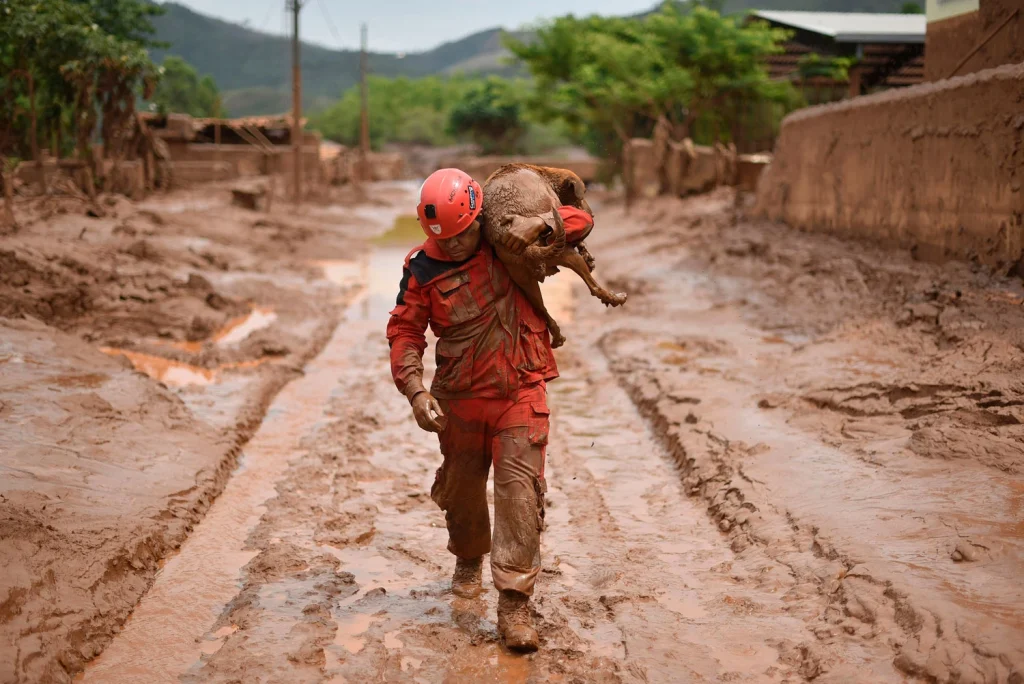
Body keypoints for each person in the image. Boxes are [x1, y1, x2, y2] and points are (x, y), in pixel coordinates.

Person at [386, 168, 593, 651]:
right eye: (445, 239)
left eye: (463, 235)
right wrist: (416, 391)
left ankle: (514, 604)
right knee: (462, 494)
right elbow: (405, 332)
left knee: (519, 493)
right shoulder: (420, 268)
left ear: (479, 216)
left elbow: (580, 220)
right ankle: (467, 556)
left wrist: (540, 225)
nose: (456, 247)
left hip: (520, 389)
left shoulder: (506, 236)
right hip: (459, 401)